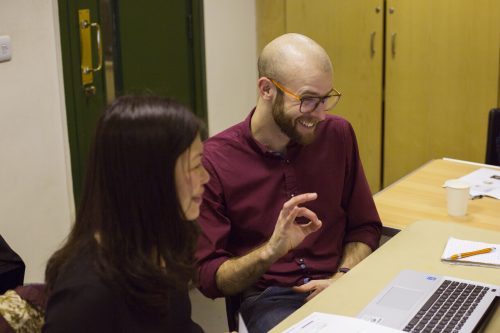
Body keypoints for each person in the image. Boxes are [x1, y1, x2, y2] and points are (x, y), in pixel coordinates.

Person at [196, 33, 382, 333]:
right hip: (272, 298)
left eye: (326, 99)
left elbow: (365, 226)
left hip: (341, 280)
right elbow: (209, 277)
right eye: (308, 100)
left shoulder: (338, 134)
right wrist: (271, 251)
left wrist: (344, 275)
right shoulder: (214, 161)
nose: (321, 115)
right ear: (266, 89)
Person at [43, 96, 209, 332]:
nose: (206, 177)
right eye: (195, 165)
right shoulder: (85, 296)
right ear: (151, 179)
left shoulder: (162, 244)